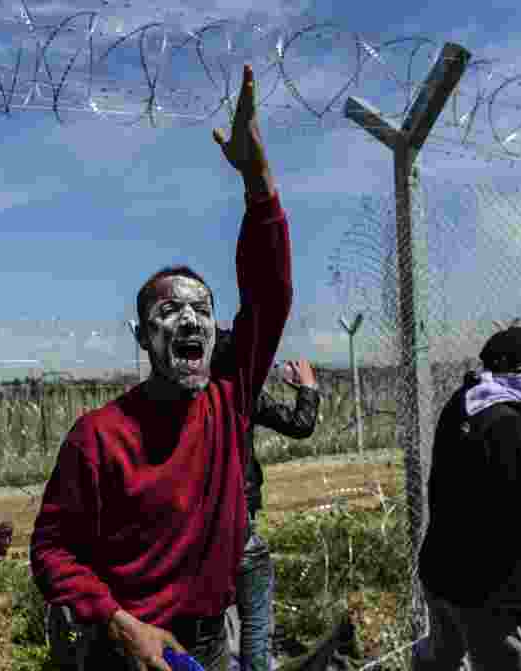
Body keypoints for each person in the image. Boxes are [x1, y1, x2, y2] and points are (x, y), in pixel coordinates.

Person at [31, 63, 293, 671]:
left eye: (203, 310)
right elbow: (51, 551)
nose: (190, 321)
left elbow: (271, 295)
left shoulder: (229, 402)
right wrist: (120, 624)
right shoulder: (100, 437)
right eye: (169, 310)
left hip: (207, 646)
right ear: (143, 336)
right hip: (124, 650)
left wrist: (258, 181)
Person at [414, 326, 521, 671]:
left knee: (442, 657)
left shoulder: (468, 402)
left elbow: (498, 477)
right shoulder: (506, 424)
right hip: (491, 592)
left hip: (445, 571)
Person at [211, 328, 321, 671]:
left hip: (197, 520)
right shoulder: (242, 395)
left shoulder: (180, 396)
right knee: (254, 609)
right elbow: (301, 424)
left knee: (215, 600)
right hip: (240, 512)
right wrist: (307, 387)